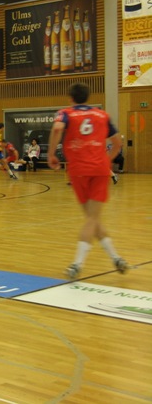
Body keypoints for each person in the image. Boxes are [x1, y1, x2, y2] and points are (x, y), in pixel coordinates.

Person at [48, 83, 128, 280]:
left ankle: (77, 264)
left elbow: (57, 128)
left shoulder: (65, 113)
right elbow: (117, 143)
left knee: (91, 218)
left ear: (71, 98)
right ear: (88, 97)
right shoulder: (102, 115)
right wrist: (106, 161)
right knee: (93, 218)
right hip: (99, 170)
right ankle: (116, 258)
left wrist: (51, 154)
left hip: (78, 171)